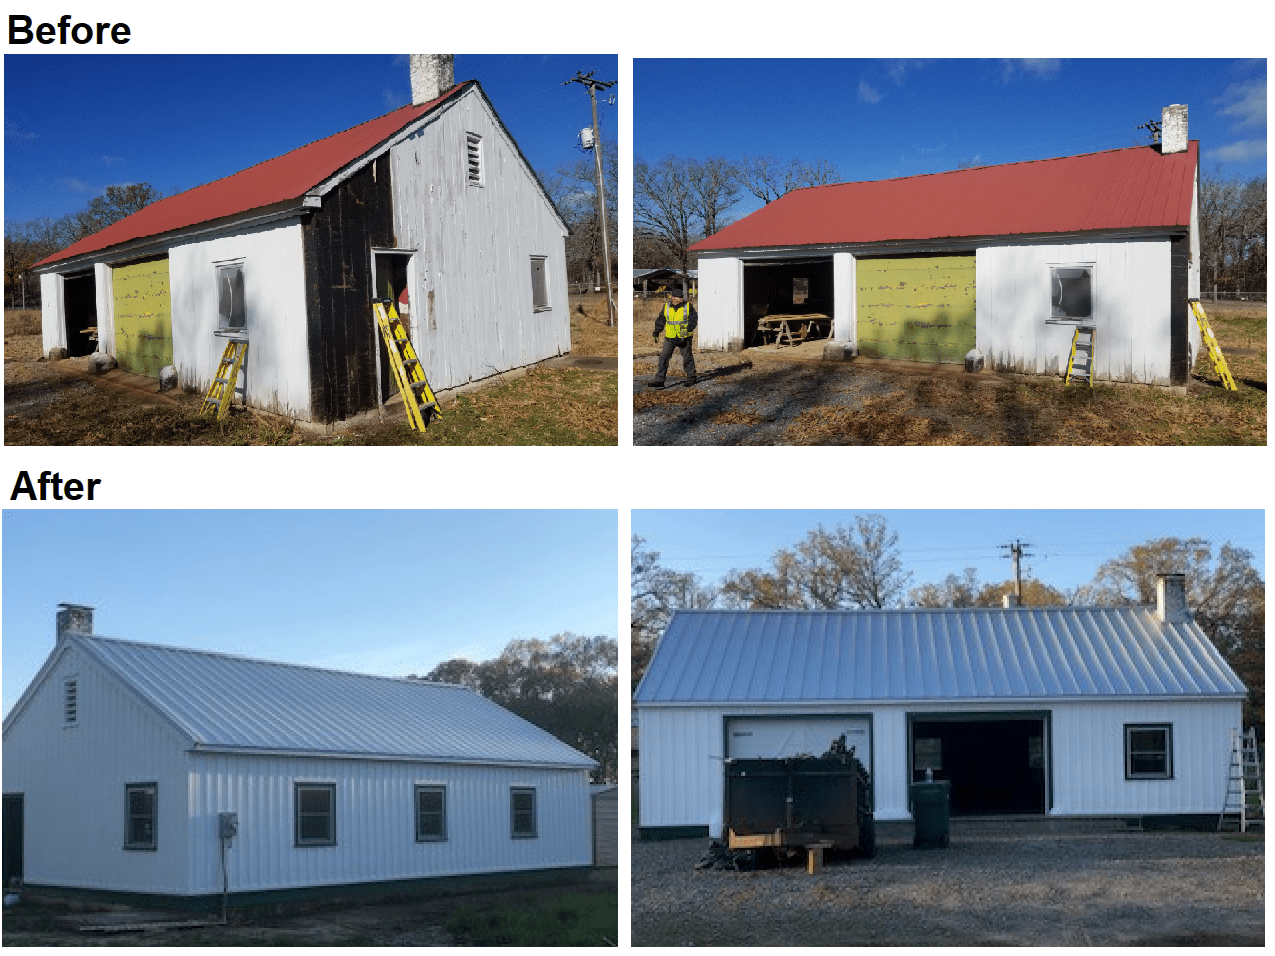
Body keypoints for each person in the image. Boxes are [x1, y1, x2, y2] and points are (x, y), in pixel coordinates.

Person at [648, 291, 698, 388]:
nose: (676, 299)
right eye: (674, 297)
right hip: (670, 337)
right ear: (671, 297)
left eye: (679, 297)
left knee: (687, 357)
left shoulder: (688, 306)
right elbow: (661, 319)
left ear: (681, 298)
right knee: (663, 357)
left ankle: (691, 378)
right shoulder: (666, 306)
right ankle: (659, 380)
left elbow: (693, 319)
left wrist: (688, 329)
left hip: (684, 337)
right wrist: (656, 331)